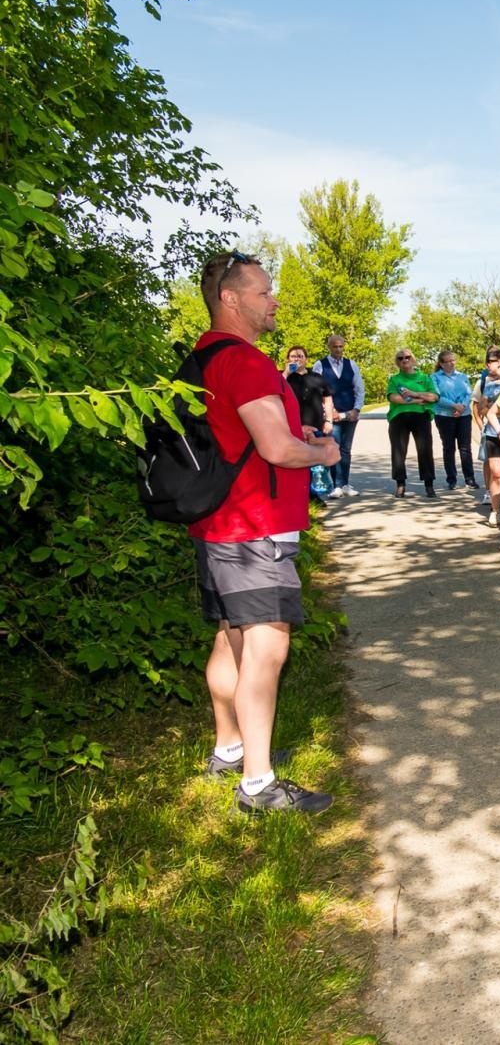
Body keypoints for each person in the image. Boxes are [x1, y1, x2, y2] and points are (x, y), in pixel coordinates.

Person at [188, 250, 341, 813]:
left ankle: (228, 747)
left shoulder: (203, 357)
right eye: (264, 292)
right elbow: (278, 450)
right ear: (231, 299)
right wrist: (321, 448)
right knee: (268, 643)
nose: (274, 300)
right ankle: (257, 783)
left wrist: (285, 429)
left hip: (215, 522)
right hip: (254, 525)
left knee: (231, 635)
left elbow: (245, 432)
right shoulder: (247, 361)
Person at [313, 334, 363, 496]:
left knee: (346, 449)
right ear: (329, 347)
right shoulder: (320, 365)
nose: (338, 349)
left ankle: (345, 484)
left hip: (350, 414)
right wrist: (328, 412)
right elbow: (316, 391)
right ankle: (335, 485)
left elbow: (359, 389)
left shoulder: (351, 365)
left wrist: (357, 409)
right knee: (334, 447)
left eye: (341, 346)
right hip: (331, 414)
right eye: (335, 346)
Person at [385, 348, 439, 498]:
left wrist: (414, 394)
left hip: (420, 416)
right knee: (398, 450)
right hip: (399, 417)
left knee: (425, 450)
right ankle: (400, 484)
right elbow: (394, 398)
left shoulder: (424, 378)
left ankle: (429, 484)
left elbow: (434, 397)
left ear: (413, 359)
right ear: (398, 362)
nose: (405, 360)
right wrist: (420, 400)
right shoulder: (395, 379)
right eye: (401, 358)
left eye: (407, 357)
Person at [474, 348, 500, 526]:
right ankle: (494, 511)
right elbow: (482, 410)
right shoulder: (489, 385)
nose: (487, 364)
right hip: (492, 433)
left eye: (490, 361)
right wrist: (494, 411)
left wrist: (497, 410)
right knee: (497, 472)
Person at [432, 349, 478, 491]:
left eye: (453, 360)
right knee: (449, 447)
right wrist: (453, 406)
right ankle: (451, 479)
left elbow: (468, 393)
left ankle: (469, 478)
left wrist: (462, 407)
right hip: (444, 415)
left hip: (463, 415)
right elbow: (437, 396)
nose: (452, 363)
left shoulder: (462, 376)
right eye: (448, 361)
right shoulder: (435, 377)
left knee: (465, 448)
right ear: (441, 363)